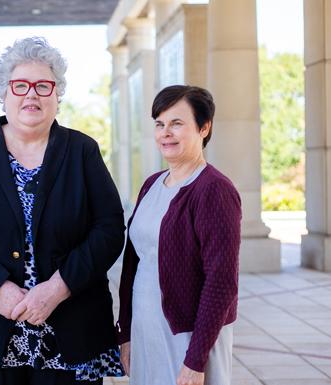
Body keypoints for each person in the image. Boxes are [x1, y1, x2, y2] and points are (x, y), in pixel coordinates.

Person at [0, 37, 125, 385]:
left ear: (57, 95)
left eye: (42, 86)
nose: (31, 94)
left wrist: (58, 287)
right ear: (3, 94)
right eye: (20, 85)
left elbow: (109, 228)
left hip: (72, 330)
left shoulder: (83, 151)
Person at [117, 85, 241, 385]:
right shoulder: (152, 184)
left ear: (204, 127)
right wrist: (126, 332)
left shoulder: (214, 190)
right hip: (147, 329)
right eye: (160, 124)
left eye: (176, 123)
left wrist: (195, 360)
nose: (165, 133)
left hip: (190, 338)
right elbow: (134, 264)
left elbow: (221, 282)